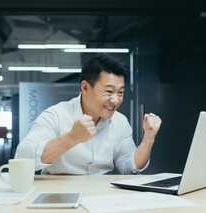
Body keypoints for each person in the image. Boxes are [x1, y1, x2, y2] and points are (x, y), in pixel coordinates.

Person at [14, 54, 162, 175]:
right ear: (85, 87)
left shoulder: (120, 122)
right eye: (109, 91)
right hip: (58, 195)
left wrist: (148, 139)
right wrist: (71, 137)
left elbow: (129, 168)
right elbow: (22, 158)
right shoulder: (55, 115)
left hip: (101, 196)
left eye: (121, 92)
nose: (115, 100)